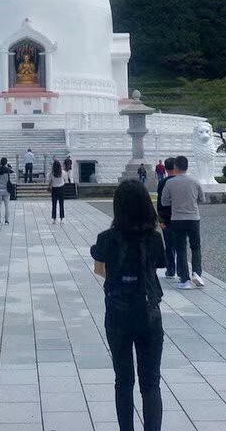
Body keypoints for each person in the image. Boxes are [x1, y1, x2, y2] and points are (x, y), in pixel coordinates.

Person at [90, 180, 166, 431]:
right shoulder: (154, 238)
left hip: (118, 312)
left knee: (123, 381)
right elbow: (156, 267)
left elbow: (100, 270)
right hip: (149, 313)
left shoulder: (106, 238)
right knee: (151, 383)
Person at [164, 156, 204, 290]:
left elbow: (164, 201)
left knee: (180, 249)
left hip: (177, 218)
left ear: (175, 167)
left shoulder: (170, 183)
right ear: (187, 167)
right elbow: (202, 199)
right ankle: (197, 273)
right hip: (193, 217)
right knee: (196, 247)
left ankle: (184, 279)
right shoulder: (195, 181)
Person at [155, 158, 177, 278]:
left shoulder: (163, 182)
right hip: (181, 217)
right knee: (180, 245)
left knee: (169, 245)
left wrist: (161, 220)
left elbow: (160, 203)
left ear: (166, 168)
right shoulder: (182, 181)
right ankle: (182, 271)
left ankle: (171, 269)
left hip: (167, 218)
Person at [0, 157, 14, 224]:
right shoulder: (7, 170)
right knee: (7, 205)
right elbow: (13, 174)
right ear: (6, 162)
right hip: (6, 190)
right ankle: (6, 220)